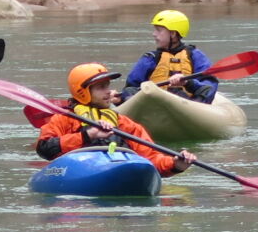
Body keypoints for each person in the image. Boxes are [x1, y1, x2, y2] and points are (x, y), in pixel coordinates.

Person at [35, 64, 194, 175]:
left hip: (118, 170)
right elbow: (44, 149)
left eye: (107, 85)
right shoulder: (63, 119)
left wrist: (176, 164)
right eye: (101, 87)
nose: (108, 92)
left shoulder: (124, 123)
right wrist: (87, 135)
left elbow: (151, 159)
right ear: (83, 92)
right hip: (77, 172)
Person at [123, 10, 218, 104]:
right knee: (130, 91)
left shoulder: (195, 55)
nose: (154, 34)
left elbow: (209, 84)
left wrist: (188, 82)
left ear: (173, 34)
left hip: (189, 104)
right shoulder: (150, 59)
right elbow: (130, 87)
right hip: (155, 105)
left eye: (159, 30)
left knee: (207, 89)